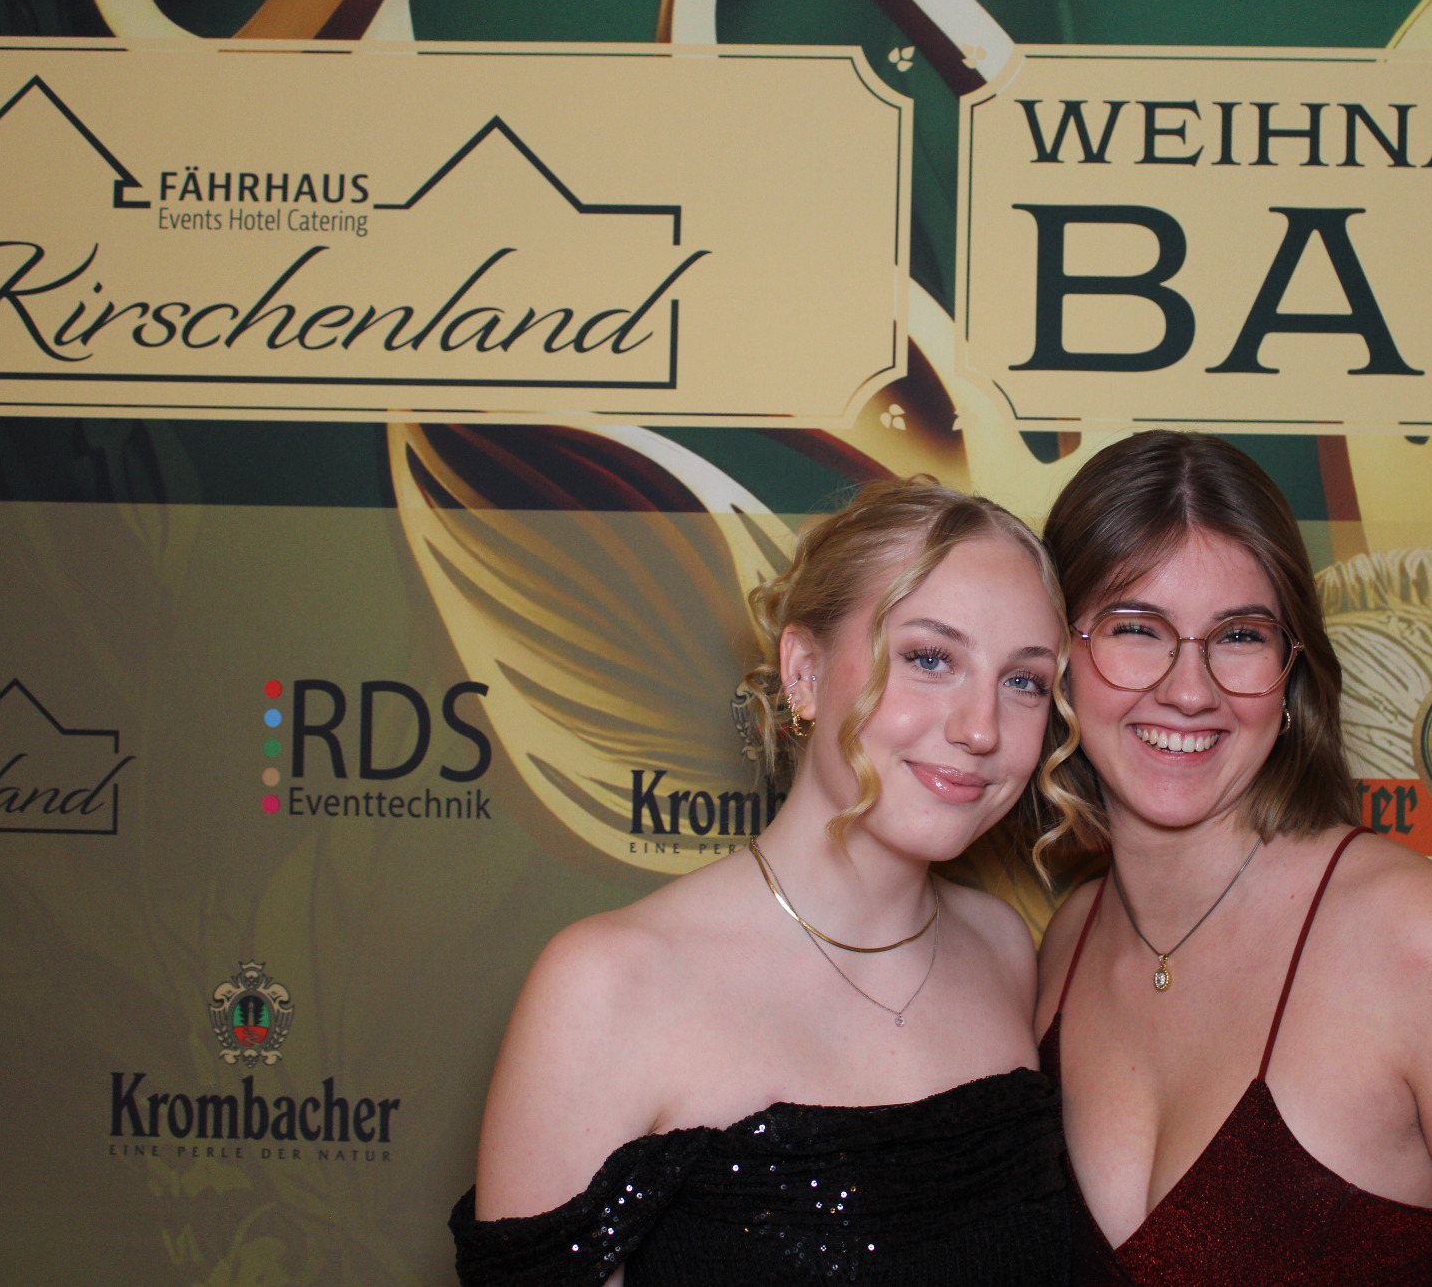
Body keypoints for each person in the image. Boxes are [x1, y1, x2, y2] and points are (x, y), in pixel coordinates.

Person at [451, 477, 1083, 1286]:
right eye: (930, 658)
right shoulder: (608, 984)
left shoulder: (1003, 948)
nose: (981, 727)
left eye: (1024, 681)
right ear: (805, 671)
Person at [1033, 432, 1432, 1286]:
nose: (1189, 689)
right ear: (1059, 659)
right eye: (1136, 628)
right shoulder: (1066, 943)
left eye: (1240, 634)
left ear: (1292, 670)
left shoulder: (1425, 947)